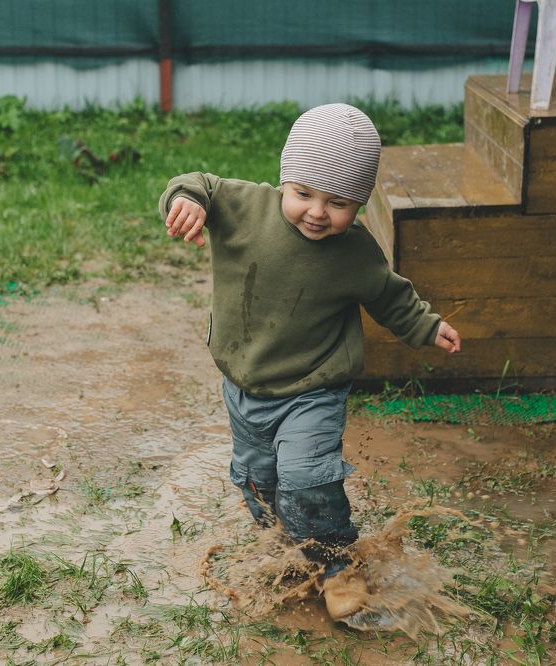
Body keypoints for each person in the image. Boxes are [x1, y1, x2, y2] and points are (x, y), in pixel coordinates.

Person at [157, 103, 461, 621]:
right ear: (284, 181)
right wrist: (186, 200)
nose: (318, 212)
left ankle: (338, 564)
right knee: (259, 482)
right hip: (246, 383)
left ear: (360, 203)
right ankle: (288, 545)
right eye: (303, 194)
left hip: (315, 388)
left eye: (338, 202)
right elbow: (197, 182)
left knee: (307, 477)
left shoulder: (356, 253)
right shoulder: (244, 208)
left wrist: (426, 326)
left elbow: (389, 296)